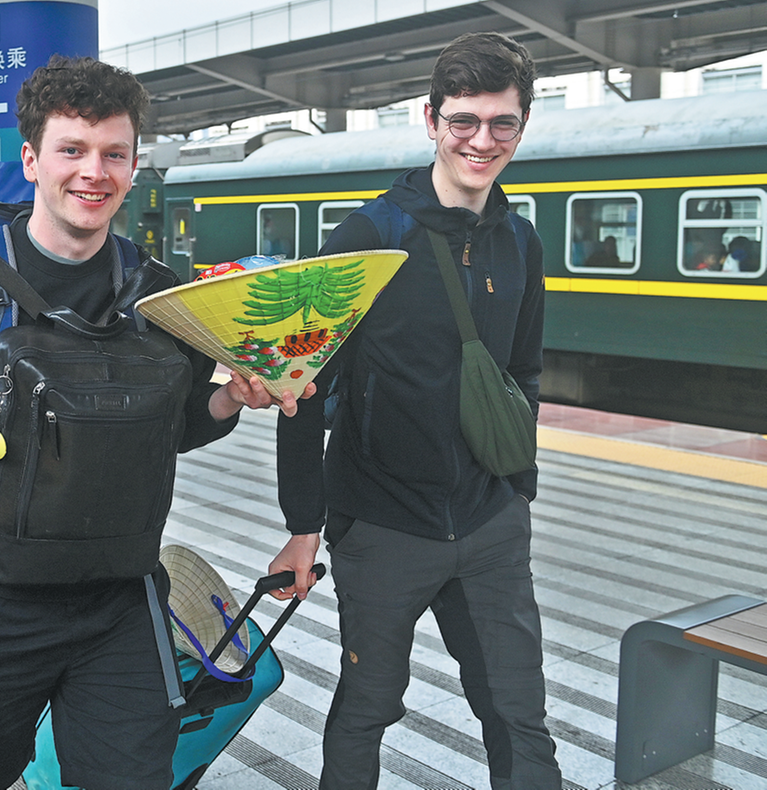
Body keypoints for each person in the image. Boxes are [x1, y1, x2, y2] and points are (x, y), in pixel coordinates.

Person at [0, 56, 309, 790]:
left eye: (114, 153)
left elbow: (172, 427)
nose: (93, 172)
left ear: (132, 165)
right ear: (32, 160)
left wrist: (230, 399)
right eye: (72, 149)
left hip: (122, 599)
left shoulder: (158, 297)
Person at [268, 32, 562, 789]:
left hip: (490, 523)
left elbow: (524, 371)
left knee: (518, 713)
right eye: (464, 120)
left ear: (522, 127)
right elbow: (301, 386)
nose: (482, 140)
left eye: (502, 123)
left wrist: (517, 489)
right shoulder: (369, 237)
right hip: (383, 523)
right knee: (367, 708)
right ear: (431, 121)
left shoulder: (520, 243)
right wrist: (304, 524)